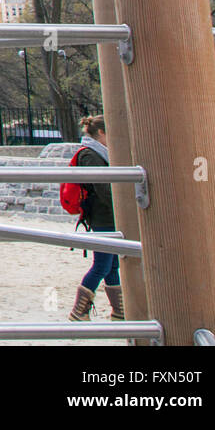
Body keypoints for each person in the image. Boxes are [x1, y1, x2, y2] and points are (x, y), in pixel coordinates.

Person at [68, 114, 124, 321]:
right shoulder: (90, 155)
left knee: (112, 265)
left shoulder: (99, 153)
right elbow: (103, 188)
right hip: (103, 218)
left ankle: (119, 311)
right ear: (101, 132)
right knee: (102, 265)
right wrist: (122, 208)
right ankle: (79, 310)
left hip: (107, 216)